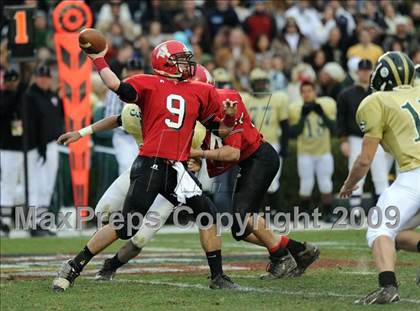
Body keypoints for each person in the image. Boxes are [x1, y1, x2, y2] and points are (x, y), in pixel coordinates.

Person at [94, 65, 319, 281]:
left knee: (243, 217)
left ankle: (282, 257)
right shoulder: (193, 108)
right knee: (240, 230)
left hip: (259, 159)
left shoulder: (225, 102)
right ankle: (299, 250)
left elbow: (231, 153)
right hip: (246, 162)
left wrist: (194, 154)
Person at [52, 40, 239, 292]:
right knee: (127, 225)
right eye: (181, 59)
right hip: (151, 163)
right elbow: (114, 85)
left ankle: (218, 276)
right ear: (165, 62)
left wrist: (227, 115)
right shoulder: (148, 83)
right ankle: (74, 265)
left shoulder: (199, 91)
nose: (187, 64)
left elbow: (222, 130)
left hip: (178, 168)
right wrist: (98, 58)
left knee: (208, 213)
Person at [339, 51, 420, 304]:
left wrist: (349, 184)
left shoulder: (377, 101)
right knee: (399, 232)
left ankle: (388, 286)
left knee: (379, 228)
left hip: (414, 174)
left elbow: (365, 159)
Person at [337, 59, 391, 211]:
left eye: (368, 70)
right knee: (356, 176)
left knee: (381, 175)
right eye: (362, 70)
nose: (365, 73)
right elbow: (341, 119)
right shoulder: (346, 94)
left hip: (376, 138)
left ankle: (384, 211)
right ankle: (355, 212)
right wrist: (343, 140)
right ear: (357, 72)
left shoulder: (379, 93)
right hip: (356, 138)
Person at [288, 81, 336, 222]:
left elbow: (334, 128)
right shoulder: (296, 108)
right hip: (305, 153)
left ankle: (328, 213)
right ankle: (305, 214)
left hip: (324, 152)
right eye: (304, 91)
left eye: (310, 91)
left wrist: (322, 114)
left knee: (326, 183)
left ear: (315, 92)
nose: (307, 94)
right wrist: (303, 117)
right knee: (306, 185)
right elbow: (294, 132)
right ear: (301, 93)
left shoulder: (325, 105)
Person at [24, 65, 63, 237]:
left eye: (46, 77)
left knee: (47, 185)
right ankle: (33, 224)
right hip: (35, 147)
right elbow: (30, 124)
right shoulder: (30, 96)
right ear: (36, 78)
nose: (44, 80)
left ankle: (43, 223)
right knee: (35, 184)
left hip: (51, 144)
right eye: (41, 77)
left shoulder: (52, 97)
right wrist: (37, 145)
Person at [241, 68, 289, 196]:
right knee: (254, 181)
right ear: (252, 84)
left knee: (272, 182)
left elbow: (284, 124)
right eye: (258, 82)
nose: (261, 85)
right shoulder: (246, 100)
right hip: (253, 145)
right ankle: (258, 212)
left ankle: (271, 212)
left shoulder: (277, 99)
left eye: (263, 82)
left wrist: (284, 146)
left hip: (272, 142)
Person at [105, 58, 144, 174]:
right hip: (124, 137)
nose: (136, 73)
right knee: (126, 169)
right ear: (126, 72)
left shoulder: (148, 89)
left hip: (144, 137)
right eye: (132, 70)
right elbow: (109, 115)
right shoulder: (116, 89)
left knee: (143, 171)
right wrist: (130, 126)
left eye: (138, 70)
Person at [0, 69, 26, 236]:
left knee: (26, 187)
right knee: (8, 183)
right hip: (7, 146)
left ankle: (11, 218)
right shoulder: (3, 97)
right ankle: (5, 221)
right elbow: (5, 109)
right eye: (10, 80)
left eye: (15, 80)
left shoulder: (22, 96)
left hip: (24, 146)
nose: (13, 83)